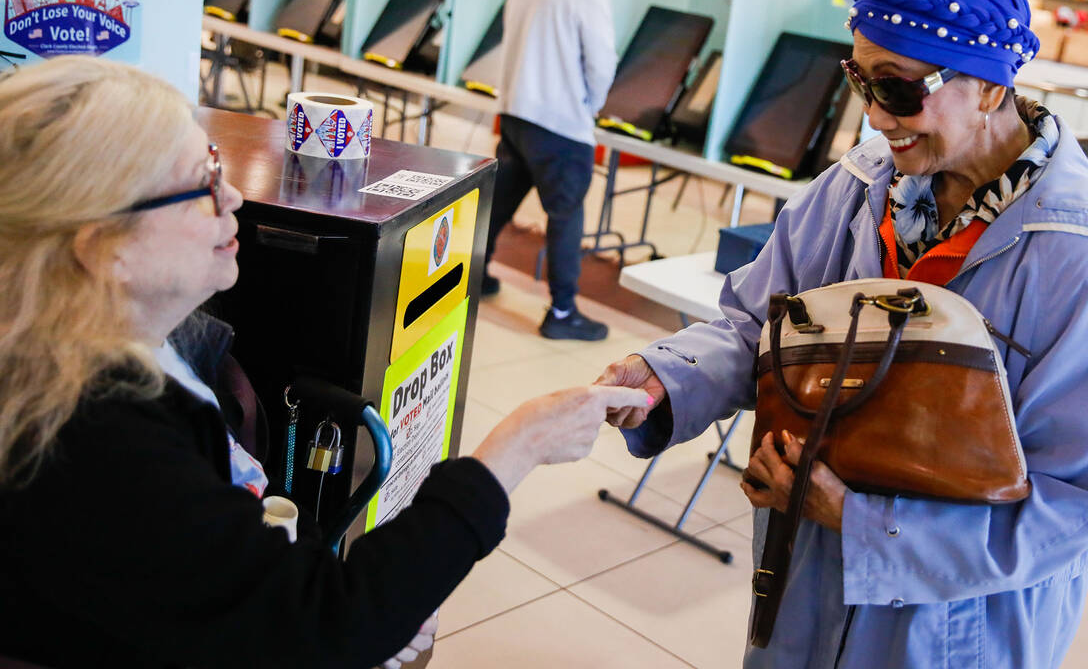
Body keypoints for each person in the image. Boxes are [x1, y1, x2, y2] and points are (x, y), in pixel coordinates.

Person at [600, 0, 1088, 668]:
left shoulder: (1081, 267)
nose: (875, 117)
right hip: (803, 588)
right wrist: (666, 375)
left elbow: (1072, 506)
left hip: (953, 633)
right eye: (860, 83)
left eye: (897, 89)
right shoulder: (858, 189)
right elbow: (757, 326)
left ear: (987, 86)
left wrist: (867, 526)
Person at [0, 56, 649, 669]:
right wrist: (519, 445)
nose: (232, 200)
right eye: (200, 186)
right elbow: (327, 625)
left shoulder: (98, 358)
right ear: (101, 247)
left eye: (218, 167)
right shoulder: (95, 436)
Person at [483, 0, 621, 342]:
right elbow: (601, 64)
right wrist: (589, 107)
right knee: (565, 216)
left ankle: (469, 276)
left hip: (518, 114)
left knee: (498, 202)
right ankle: (562, 312)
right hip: (561, 125)